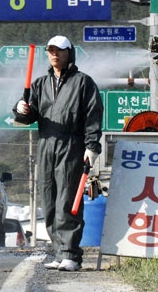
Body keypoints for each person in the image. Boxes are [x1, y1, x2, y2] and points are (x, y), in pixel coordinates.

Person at [12, 35, 103, 272]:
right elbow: (27, 117)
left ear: (68, 53)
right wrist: (21, 109)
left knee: (67, 200)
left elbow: (93, 116)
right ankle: (58, 252)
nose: (55, 54)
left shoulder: (83, 83)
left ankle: (71, 254)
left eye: (59, 50)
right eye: (51, 50)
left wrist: (92, 146)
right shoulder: (40, 84)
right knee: (49, 201)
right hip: (46, 145)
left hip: (71, 146)